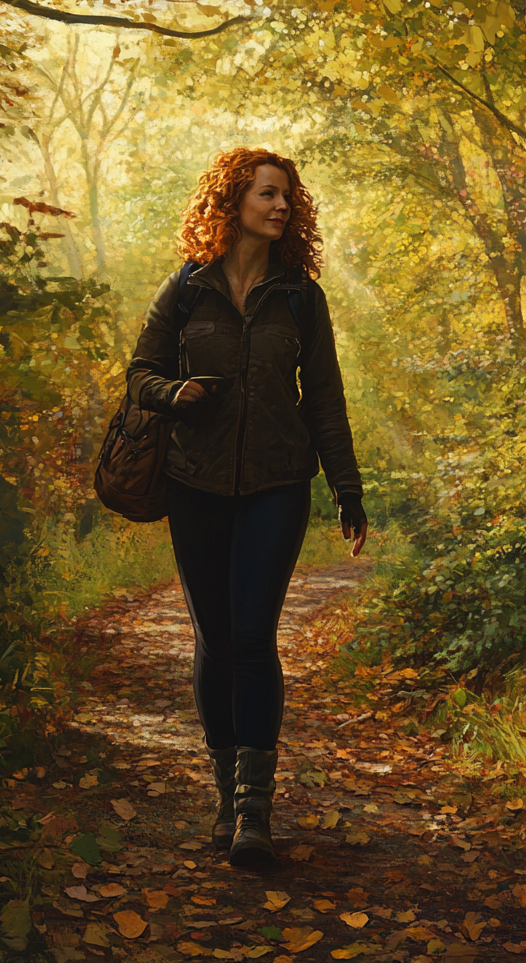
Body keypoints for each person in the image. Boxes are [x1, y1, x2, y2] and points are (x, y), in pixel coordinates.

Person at [126, 147, 367, 866]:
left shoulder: (300, 297)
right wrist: (174, 394)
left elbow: (324, 398)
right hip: (193, 482)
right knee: (215, 640)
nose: (281, 206)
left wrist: (346, 488)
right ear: (232, 201)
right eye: (268, 194)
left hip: (277, 484)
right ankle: (226, 797)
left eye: (288, 198)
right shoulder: (186, 290)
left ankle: (254, 815)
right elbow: (140, 372)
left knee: (254, 638)